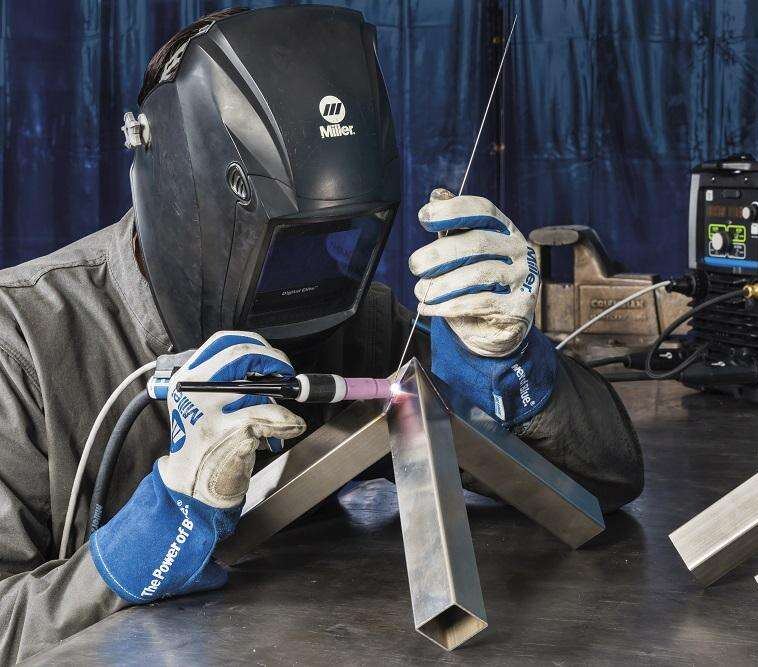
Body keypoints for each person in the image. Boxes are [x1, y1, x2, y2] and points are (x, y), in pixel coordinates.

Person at [0, 6, 642, 663]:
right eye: (270, 245)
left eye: (334, 239)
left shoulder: (349, 312)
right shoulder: (22, 343)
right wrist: (150, 534)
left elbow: (609, 482)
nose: (298, 281)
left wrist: (512, 368)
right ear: (170, 194)